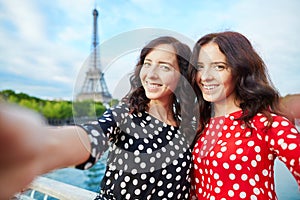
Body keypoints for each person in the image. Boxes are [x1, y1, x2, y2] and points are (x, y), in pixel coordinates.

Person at [0, 36, 196, 199]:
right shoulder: (127, 112)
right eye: (147, 64)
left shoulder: (188, 126)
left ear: (182, 76)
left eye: (164, 67)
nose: (151, 74)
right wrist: (38, 146)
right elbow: (93, 134)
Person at [188, 31, 300, 199]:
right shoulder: (200, 127)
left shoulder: (268, 124)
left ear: (240, 70)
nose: (205, 77)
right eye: (200, 67)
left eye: (219, 67)